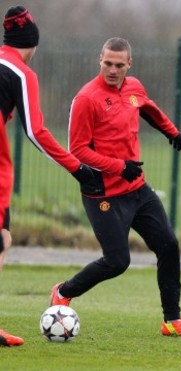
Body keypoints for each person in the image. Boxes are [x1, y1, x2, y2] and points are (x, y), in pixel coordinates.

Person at [49, 37, 181, 340]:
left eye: (119, 65)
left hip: (137, 189)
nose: (113, 70)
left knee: (168, 246)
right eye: (108, 63)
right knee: (118, 261)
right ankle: (64, 291)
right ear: (99, 60)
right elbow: (77, 149)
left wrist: (172, 132)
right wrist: (119, 166)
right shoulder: (87, 98)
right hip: (103, 193)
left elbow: (149, 108)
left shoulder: (134, 88)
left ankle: (172, 321)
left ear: (129, 64)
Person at [0, 5, 95, 347]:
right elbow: (37, 131)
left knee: (3, 239)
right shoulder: (20, 72)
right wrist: (78, 169)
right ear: (32, 43)